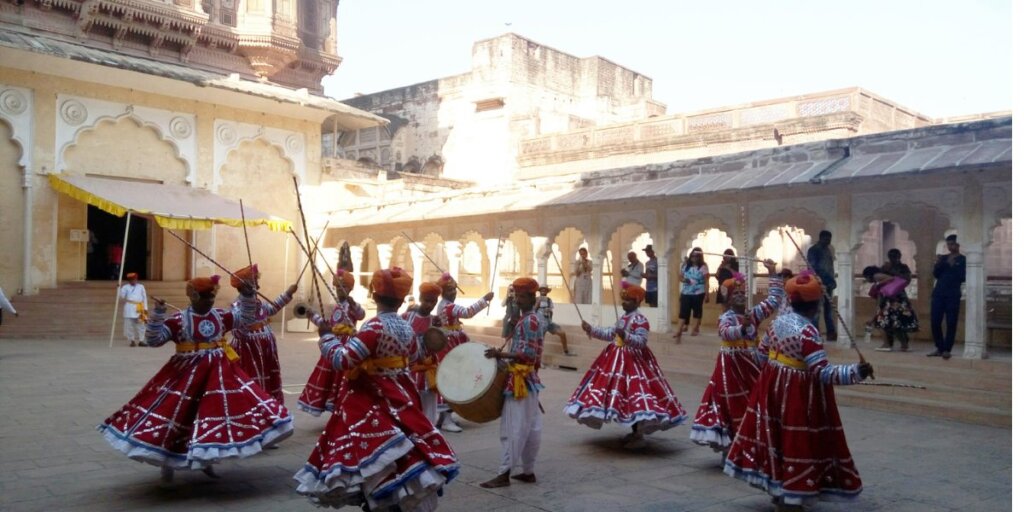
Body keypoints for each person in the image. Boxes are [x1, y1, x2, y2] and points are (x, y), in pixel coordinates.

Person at [98, 276, 293, 482]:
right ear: (192, 296)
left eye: (211, 296)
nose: (209, 300)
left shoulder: (220, 316)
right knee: (179, 416)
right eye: (204, 296)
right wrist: (158, 314)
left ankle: (206, 461)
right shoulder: (179, 320)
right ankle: (167, 463)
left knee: (211, 417)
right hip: (185, 376)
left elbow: (245, 318)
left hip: (218, 377)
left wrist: (247, 294)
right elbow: (154, 340)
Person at [295, 267, 459, 511]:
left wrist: (326, 338)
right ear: (402, 299)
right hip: (403, 395)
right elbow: (414, 356)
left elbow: (343, 360)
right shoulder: (406, 328)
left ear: (373, 295)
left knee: (375, 458)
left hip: (373, 400)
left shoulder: (373, 328)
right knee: (405, 451)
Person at [724, 270, 873, 511]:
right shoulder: (808, 332)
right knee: (795, 439)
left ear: (792, 300)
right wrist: (856, 372)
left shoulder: (776, 323)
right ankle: (791, 495)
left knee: (776, 437)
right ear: (815, 306)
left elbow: (761, 356)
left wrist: (776, 372)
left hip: (771, 388)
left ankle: (778, 489)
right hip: (797, 394)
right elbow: (823, 372)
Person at [567, 283, 687, 449]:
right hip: (615, 360)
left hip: (634, 363)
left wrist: (626, 336)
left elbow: (641, 342)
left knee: (635, 395)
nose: (624, 303)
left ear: (637, 303)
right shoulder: (622, 319)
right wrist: (592, 329)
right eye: (624, 300)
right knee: (622, 396)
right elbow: (610, 333)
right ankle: (634, 432)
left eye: (628, 301)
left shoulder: (641, 320)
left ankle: (639, 434)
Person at [690, 260, 782, 458]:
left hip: (751, 364)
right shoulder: (726, 317)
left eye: (742, 294)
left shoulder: (753, 314)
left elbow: (774, 300)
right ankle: (730, 447)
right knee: (731, 405)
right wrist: (742, 328)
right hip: (730, 367)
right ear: (729, 299)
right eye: (736, 294)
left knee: (754, 402)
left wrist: (773, 273)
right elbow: (726, 333)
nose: (740, 297)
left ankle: (751, 444)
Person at [480, 277, 545, 489]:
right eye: (515, 295)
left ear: (531, 297)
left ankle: (504, 474)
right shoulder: (530, 319)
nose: (517, 300)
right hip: (529, 381)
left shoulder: (529, 321)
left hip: (520, 382)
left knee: (513, 428)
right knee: (531, 427)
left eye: (521, 296)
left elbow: (528, 354)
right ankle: (528, 471)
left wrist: (501, 356)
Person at [297, 269, 366, 416]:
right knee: (329, 375)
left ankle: (343, 405)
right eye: (337, 287)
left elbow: (361, 315)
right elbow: (328, 325)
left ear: (350, 288)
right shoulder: (336, 306)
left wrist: (353, 303)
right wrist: (312, 316)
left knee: (343, 376)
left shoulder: (350, 305)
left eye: (344, 287)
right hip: (334, 342)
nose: (340, 291)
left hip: (346, 344)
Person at [433, 272, 494, 433]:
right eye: (449, 290)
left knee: (453, 377)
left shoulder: (443, 305)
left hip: (453, 340)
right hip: (450, 344)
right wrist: (485, 300)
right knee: (454, 378)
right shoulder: (449, 306)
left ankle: (445, 417)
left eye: (454, 290)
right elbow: (468, 313)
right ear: (443, 292)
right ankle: (446, 419)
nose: (453, 293)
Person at [228, 264, 297, 403]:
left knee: (267, 377)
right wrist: (248, 300)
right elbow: (241, 328)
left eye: (256, 282)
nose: (257, 286)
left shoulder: (258, 303)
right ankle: (255, 406)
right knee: (254, 379)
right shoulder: (238, 306)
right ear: (242, 287)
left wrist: (288, 294)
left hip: (265, 349)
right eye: (253, 282)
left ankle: (269, 405)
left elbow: (271, 309)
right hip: (250, 351)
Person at [863, 249, 919, 353]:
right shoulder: (885, 268)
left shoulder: (902, 268)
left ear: (899, 256)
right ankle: (901, 345)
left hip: (895, 299)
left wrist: (879, 284)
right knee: (895, 323)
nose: (893, 258)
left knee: (886, 322)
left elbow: (903, 279)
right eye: (891, 256)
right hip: (892, 299)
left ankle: (889, 344)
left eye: (895, 256)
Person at [403, 282, 443, 425]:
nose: (429, 304)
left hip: (428, 370)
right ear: (420, 298)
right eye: (427, 300)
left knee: (429, 409)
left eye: (433, 301)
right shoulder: (407, 316)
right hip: (410, 369)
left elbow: (438, 344)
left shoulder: (435, 321)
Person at [929, 234, 966, 360]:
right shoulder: (943, 258)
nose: (951, 246)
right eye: (949, 244)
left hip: (953, 295)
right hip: (939, 293)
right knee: (935, 321)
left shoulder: (963, 260)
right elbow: (936, 274)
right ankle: (939, 347)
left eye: (953, 244)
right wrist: (942, 264)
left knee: (951, 322)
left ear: (958, 244)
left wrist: (952, 266)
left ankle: (947, 349)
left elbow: (963, 277)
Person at [806, 230, 838, 341]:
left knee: (828, 310)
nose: (828, 241)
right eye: (826, 238)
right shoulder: (814, 250)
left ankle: (831, 333)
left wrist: (831, 281)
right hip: (817, 283)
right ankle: (815, 334)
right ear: (821, 238)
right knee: (816, 310)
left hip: (828, 284)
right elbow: (814, 268)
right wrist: (827, 280)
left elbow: (829, 267)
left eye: (830, 239)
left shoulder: (827, 250)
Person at [673, 247, 709, 340]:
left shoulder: (703, 267)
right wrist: (684, 279)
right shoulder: (686, 266)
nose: (694, 258)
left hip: (698, 292)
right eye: (692, 255)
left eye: (696, 256)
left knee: (697, 311)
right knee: (683, 311)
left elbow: (706, 281)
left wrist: (707, 294)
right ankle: (679, 330)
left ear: (700, 257)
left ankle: (694, 329)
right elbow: (680, 277)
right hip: (686, 292)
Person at [536, 285, 575, 356]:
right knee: (540, 341)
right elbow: (533, 311)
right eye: (542, 290)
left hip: (548, 322)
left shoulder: (549, 300)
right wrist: (538, 304)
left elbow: (551, 312)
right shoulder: (536, 299)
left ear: (547, 291)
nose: (543, 291)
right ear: (539, 291)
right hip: (540, 323)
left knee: (562, 333)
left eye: (545, 290)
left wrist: (549, 312)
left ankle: (566, 351)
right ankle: (539, 360)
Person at [118, 272, 147, 347]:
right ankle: (132, 340)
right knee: (129, 325)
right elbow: (121, 296)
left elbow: (144, 298)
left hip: (139, 307)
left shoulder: (141, 286)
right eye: (131, 280)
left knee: (141, 325)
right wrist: (119, 289)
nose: (133, 281)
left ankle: (141, 340)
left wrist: (145, 309)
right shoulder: (125, 287)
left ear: (136, 279)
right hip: (129, 307)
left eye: (134, 279)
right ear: (129, 280)